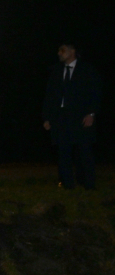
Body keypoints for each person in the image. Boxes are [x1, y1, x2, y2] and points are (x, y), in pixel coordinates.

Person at [42, 43, 101, 189]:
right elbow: (49, 95)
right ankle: (67, 184)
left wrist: (91, 113)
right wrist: (47, 117)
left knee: (84, 150)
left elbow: (95, 93)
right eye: (59, 50)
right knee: (63, 151)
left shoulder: (86, 69)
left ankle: (88, 183)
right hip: (61, 116)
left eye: (62, 50)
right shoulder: (56, 70)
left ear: (72, 51)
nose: (59, 53)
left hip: (80, 115)